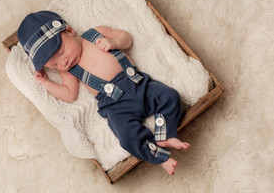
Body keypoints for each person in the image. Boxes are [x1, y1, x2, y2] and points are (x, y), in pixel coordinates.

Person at [17, 11, 190, 175]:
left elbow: (126, 37)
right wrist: (46, 82)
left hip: (138, 83)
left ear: (69, 31)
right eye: (54, 65)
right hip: (115, 106)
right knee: (126, 135)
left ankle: (165, 135)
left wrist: (115, 43)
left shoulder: (95, 34)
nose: (64, 62)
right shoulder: (68, 70)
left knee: (169, 97)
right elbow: (69, 94)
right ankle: (159, 157)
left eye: (61, 52)